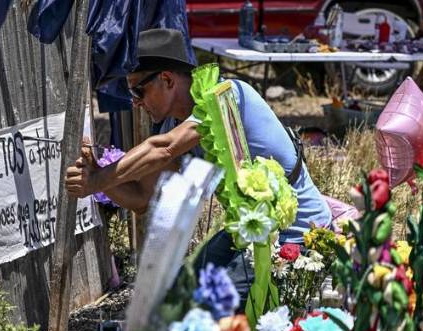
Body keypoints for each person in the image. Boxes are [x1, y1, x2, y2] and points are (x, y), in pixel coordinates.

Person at [64, 28, 331, 292]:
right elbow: (142, 199)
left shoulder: (226, 96)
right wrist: (97, 178)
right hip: (250, 231)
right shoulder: (175, 124)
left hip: (298, 235)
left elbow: (164, 148)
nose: (135, 103)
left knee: (206, 304)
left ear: (167, 80)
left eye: (138, 92)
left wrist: (97, 180)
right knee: (175, 294)